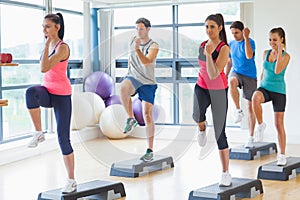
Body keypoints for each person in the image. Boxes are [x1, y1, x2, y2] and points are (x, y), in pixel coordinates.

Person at [26, 13, 76, 193]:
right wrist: (46, 46)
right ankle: (39, 132)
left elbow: (44, 67)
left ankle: (71, 180)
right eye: (43, 26)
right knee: (31, 92)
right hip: (47, 91)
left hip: (62, 95)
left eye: (47, 26)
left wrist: (47, 45)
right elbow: (43, 71)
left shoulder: (63, 48)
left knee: (63, 139)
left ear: (57, 27)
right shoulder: (47, 46)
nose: (44, 30)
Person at [193, 13, 231, 186]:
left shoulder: (224, 48)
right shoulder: (202, 44)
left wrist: (209, 55)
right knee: (197, 116)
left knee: (219, 133)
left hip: (218, 91)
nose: (209, 30)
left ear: (220, 28)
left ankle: (225, 173)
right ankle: (201, 129)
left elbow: (214, 73)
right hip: (201, 87)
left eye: (212, 27)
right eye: (207, 27)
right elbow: (201, 68)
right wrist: (205, 53)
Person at [120, 17, 159, 162]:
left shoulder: (154, 45)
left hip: (148, 82)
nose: (138, 31)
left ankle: (150, 150)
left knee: (147, 114)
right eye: (137, 28)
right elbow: (131, 58)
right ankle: (130, 118)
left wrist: (137, 49)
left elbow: (147, 62)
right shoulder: (132, 39)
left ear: (148, 29)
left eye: (141, 28)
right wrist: (129, 71)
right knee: (123, 88)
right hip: (133, 78)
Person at [252, 27, 290, 166]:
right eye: (270, 39)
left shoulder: (286, 56)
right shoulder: (265, 53)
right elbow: (264, 70)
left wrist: (279, 51)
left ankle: (282, 154)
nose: (271, 42)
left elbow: (277, 69)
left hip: (279, 91)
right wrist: (260, 84)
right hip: (265, 87)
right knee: (255, 98)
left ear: (282, 40)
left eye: (274, 40)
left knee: (279, 124)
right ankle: (261, 125)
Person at [226, 21, 257, 147]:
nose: (234, 35)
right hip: (237, 72)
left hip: (250, 76)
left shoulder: (250, 42)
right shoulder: (231, 44)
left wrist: (246, 38)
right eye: (232, 33)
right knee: (231, 81)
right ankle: (238, 110)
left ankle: (251, 136)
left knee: (251, 107)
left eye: (237, 32)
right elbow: (229, 62)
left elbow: (249, 56)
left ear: (242, 31)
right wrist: (225, 74)